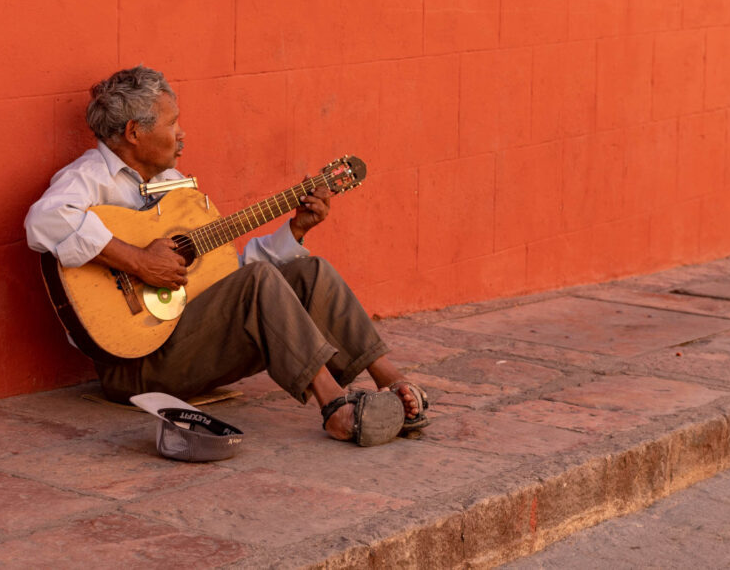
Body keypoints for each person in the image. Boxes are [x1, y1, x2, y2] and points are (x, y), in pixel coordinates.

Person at [25, 66, 429, 446]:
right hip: (134, 368)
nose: (182, 134)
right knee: (259, 283)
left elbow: (229, 277)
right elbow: (43, 220)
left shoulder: (175, 187)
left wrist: (297, 229)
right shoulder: (88, 178)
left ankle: (390, 379)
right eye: (172, 123)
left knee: (311, 271)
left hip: (189, 344)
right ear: (134, 132)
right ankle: (334, 407)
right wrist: (137, 260)